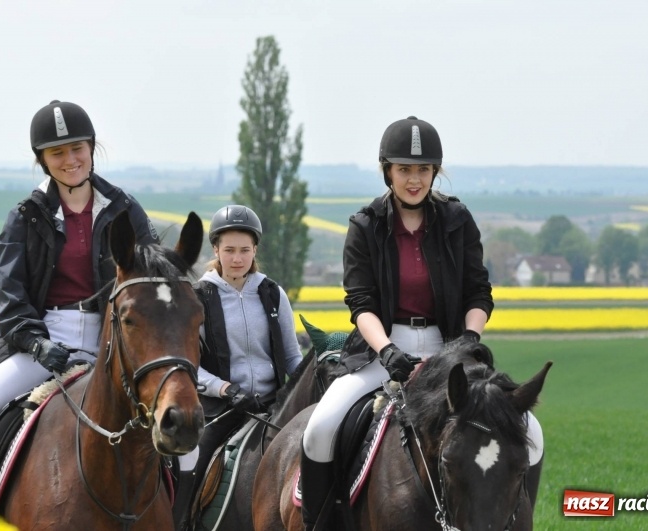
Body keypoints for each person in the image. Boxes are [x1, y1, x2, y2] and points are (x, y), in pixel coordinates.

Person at [298, 116, 544, 530]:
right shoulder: (365, 226)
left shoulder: (457, 220)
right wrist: (387, 350)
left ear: (436, 172)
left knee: (530, 430)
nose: (415, 180)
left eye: (424, 170)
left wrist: (468, 339)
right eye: (404, 169)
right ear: (387, 171)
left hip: (450, 353)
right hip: (382, 348)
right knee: (320, 428)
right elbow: (361, 303)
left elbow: (478, 292)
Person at [0, 100, 159, 531]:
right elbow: (11, 298)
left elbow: (150, 280)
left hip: (115, 341)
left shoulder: (125, 209)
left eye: (77, 149)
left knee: (183, 440)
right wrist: (38, 343)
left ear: (92, 148)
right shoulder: (24, 217)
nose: (70, 160)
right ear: (43, 160)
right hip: (40, 342)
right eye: (57, 153)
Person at [171, 205, 304, 530]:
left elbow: (292, 357)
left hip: (274, 406)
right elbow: (189, 365)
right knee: (191, 462)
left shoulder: (273, 294)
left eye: (245, 250)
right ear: (215, 249)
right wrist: (225, 389)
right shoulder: (198, 296)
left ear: (255, 250)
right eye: (229, 250)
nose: (237, 258)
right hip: (220, 409)